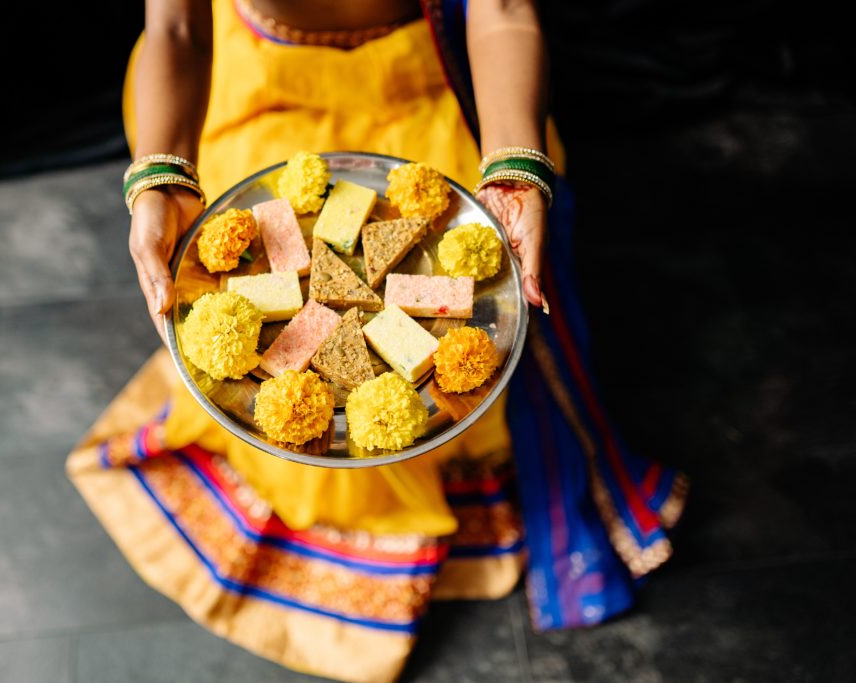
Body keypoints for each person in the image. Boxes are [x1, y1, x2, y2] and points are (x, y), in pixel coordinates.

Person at [66, 2, 687, 681]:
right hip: (255, 92)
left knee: (452, 311)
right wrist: (160, 175)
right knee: (264, 317)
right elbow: (178, 30)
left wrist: (514, 163)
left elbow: (503, 9)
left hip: (426, 84)